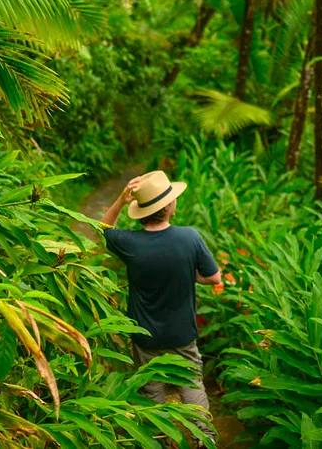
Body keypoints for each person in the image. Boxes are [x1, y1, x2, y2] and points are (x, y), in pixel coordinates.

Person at [101, 170, 221, 445]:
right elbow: (213, 277)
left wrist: (120, 199)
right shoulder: (190, 238)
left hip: (145, 335)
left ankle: (156, 439)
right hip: (182, 333)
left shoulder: (130, 243)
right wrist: (185, 271)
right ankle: (206, 439)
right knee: (191, 386)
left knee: (151, 390)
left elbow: (103, 229)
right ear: (168, 206)